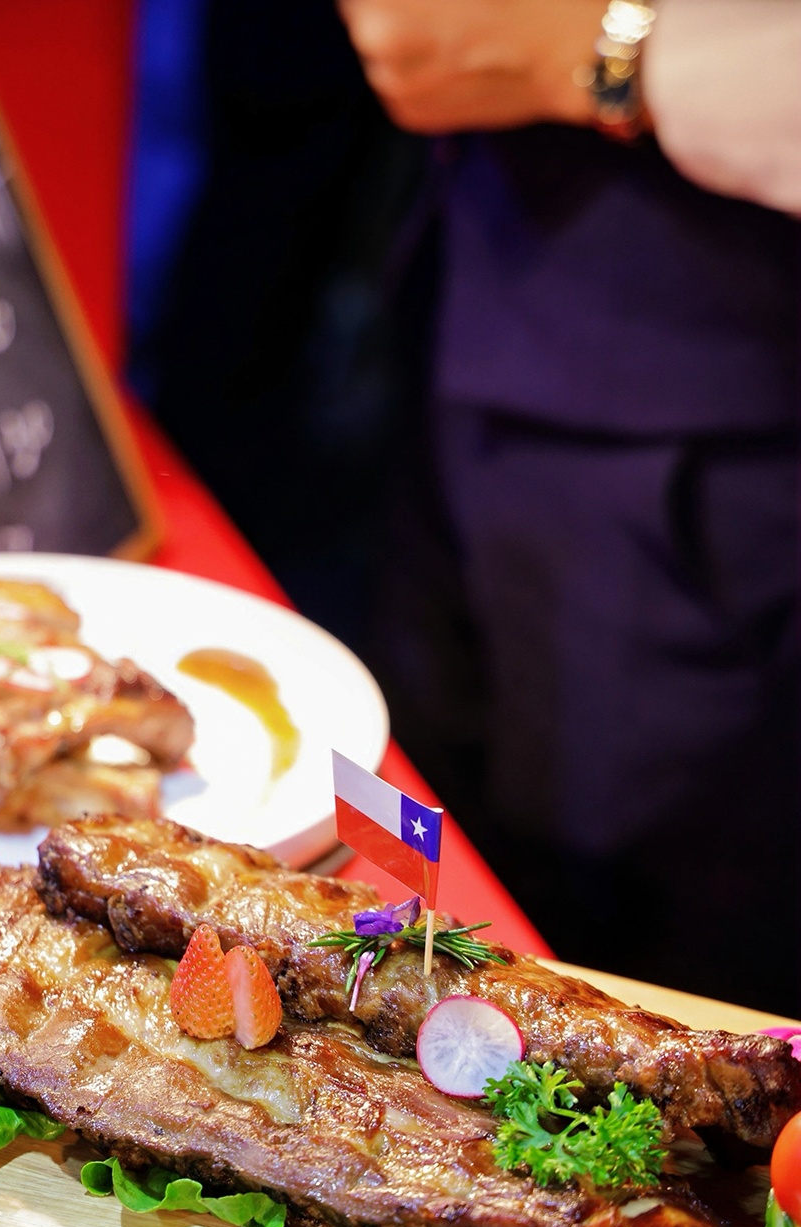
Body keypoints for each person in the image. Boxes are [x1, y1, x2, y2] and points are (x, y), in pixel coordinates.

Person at [335, 0, 800, 1011]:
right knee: (439, 848)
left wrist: (619, 51)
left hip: (716, 394)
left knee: (652, 947)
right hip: (472, 284)